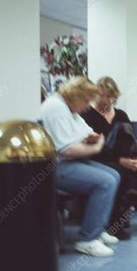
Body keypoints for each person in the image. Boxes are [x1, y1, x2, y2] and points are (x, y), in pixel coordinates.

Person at [41, 76, 120, 257]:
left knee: (114, 175)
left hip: (69, 162)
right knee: (105, 182)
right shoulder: (55, 107)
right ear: (76, 95)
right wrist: (96, 146)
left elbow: (89, 132)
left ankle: (97, 230)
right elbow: (67, 149)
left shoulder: (69, 108)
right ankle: (87, 240)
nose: (87, 107)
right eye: (86, 101)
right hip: (55, 167)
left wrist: (93, 139)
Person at [82, 76, 137, 236]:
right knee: (121, 172)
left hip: (126, 156)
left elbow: (132, 141)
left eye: (109, 96)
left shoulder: (121, 115)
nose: (105, 100)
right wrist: (120, 160)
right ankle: (116, 223)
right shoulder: (87, 115)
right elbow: (91, 147)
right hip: (100, 158)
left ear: (115, 97)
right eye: (101, 95)